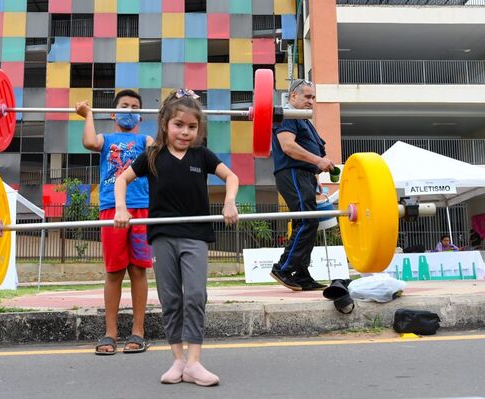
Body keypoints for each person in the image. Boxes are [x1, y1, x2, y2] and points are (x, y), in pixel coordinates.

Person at [114, 89, 239, 387]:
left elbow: (231, 177)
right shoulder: (153, 155)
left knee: (195, 296)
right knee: (171, 299)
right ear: (165, 125)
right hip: (162, 236)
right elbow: (122, 179)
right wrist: (121, 207)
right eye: (178, 125)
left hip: (194, 236)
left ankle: (195, 362)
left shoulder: (202, 155)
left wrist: (229, 201)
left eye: (192, 127)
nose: (185, 132)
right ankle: (178, 361)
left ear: (198, 129)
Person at [75, 90, 154, 355]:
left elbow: (167, 146)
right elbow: (88, 141)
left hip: (141, 209)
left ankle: (138, 332)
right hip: (111, 209)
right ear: (113, 114)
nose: (129, 110)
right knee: (113, 272)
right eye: (124, 106)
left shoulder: (145, 139)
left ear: (141, 116)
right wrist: (88, 115)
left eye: (134, 107)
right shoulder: (106, 139)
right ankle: (110, 333)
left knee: (138, 270)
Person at [270, 79, 335, 291]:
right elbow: (288, 146)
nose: (311, 101)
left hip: (304, 175)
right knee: (307, 221)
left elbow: (310, 150)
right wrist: (317, 162)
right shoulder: (287, 115)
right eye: (307, 97)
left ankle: (301, 273)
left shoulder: (304, 120)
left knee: (308, 222)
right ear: (293, 96)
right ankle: (283, 268)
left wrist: (315, 177)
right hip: (292, 172)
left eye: (313, 97)